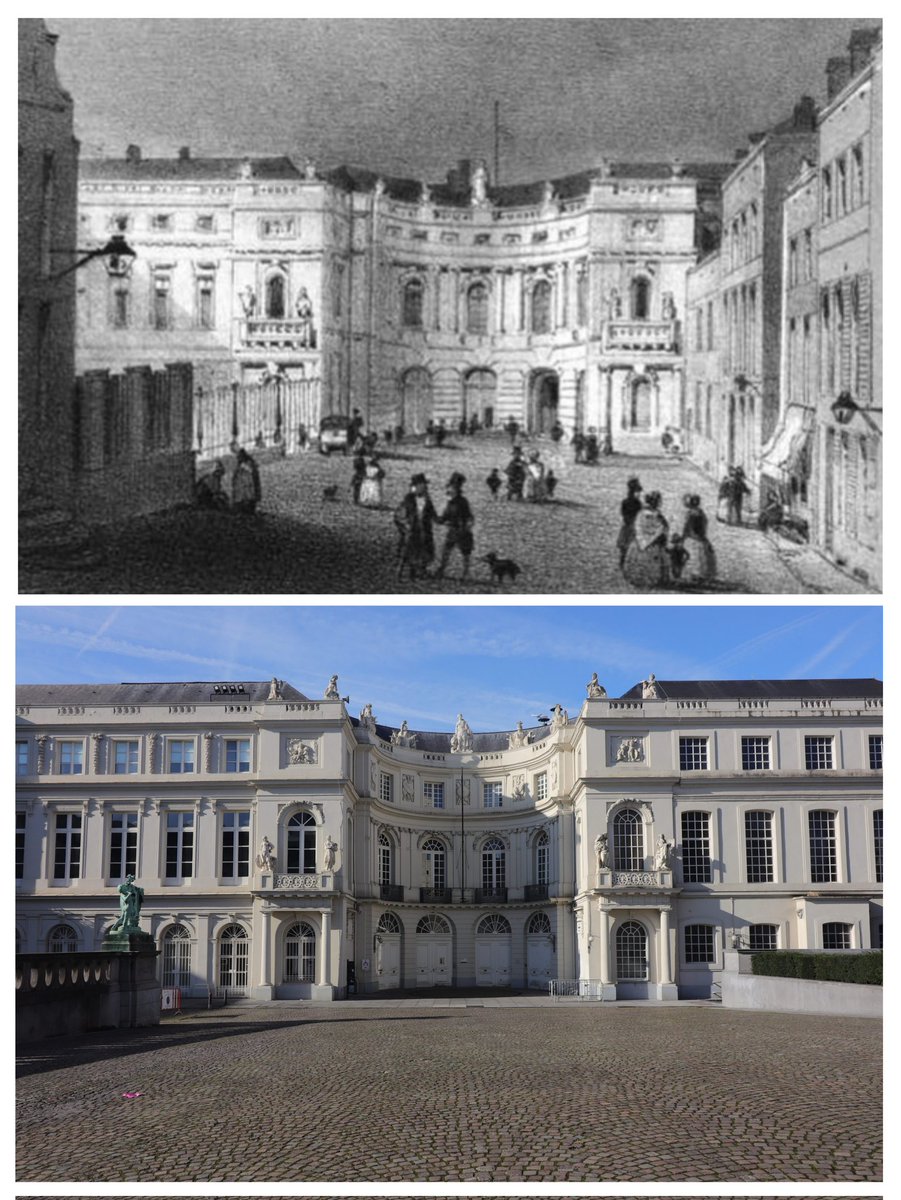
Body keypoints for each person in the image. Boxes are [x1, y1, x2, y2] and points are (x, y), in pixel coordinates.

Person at [394, 473, 438, 581]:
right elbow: (400, 515)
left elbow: (432, 514)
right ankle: (399, 573)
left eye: (424, 486)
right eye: (421, 485)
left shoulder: (427, 500)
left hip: (423, 530)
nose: (424, 487)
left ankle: (414, 574)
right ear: (416, 486)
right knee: (407, 552)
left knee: (421, 551)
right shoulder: (408, 499)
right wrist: (405, 526)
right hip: (412, 529)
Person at [622, 490, 670, 588]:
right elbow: (661, 528)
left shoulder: (641, 513)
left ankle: (640, 579)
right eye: (658, 501)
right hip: (651, 544)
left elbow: (639, 527)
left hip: (640, 542)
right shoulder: (654, 515)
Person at [435, 472, 475, 580]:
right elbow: (445, 517)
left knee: (465, 553)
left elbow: (470, 516)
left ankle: (465, 573)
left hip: (463, 531)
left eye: (451, 489)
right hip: (452, 531)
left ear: (457, 490)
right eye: (448, 489)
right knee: (446, 551)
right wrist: (437, 519)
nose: (449, 491)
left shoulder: (463, 502)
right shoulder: (449, 503)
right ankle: (441, 569)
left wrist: (468, 525)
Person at [681, 493, 717, 584]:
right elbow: (704, 525)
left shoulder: (689, 513)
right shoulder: (701, 512)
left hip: (693, 538)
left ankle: (695, 575)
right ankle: (702, 575)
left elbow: (686, 527)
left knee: (694, 556)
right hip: (701, 537)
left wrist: (683, 537)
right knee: (703, 556)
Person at [616, 477, 643, 568]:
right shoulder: (637, 503)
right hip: (632, 525)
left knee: (624, 546)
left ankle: (623, 562)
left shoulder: (626, 501)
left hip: (627, 525)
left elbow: (623, 513)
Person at [232, 448, 261, 514]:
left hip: (247, 492)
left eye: (239, 457)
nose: (238, 459)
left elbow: (252, 473)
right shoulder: (240, 466)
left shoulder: (248, 465)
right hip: (243, 492)